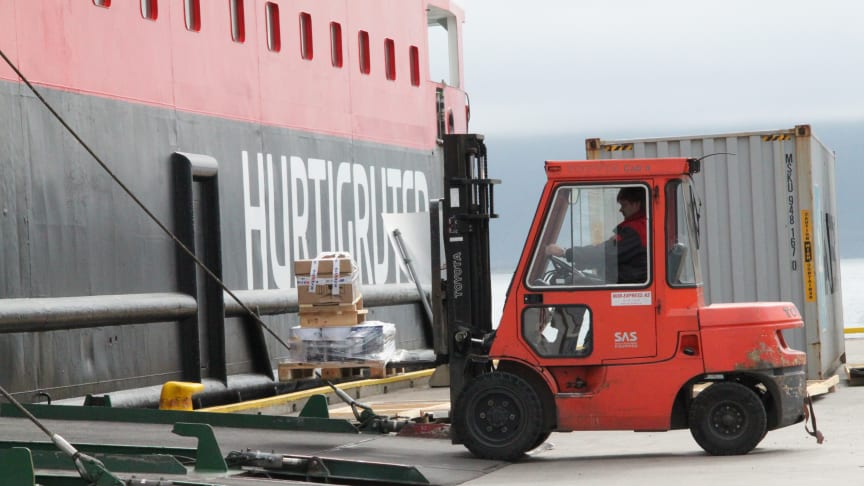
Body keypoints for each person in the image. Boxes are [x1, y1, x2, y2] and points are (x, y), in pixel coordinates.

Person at [546, 187, 647, 284]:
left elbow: (604, 252)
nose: (620, 210)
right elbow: (615, 257)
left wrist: (565, 253)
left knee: (573, 283)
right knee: (577, 280)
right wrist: (588, 263)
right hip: (623, 281)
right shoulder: (640, 227)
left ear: (636, 204)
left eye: (624, 205)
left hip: (626, 286)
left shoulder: (636, 230)